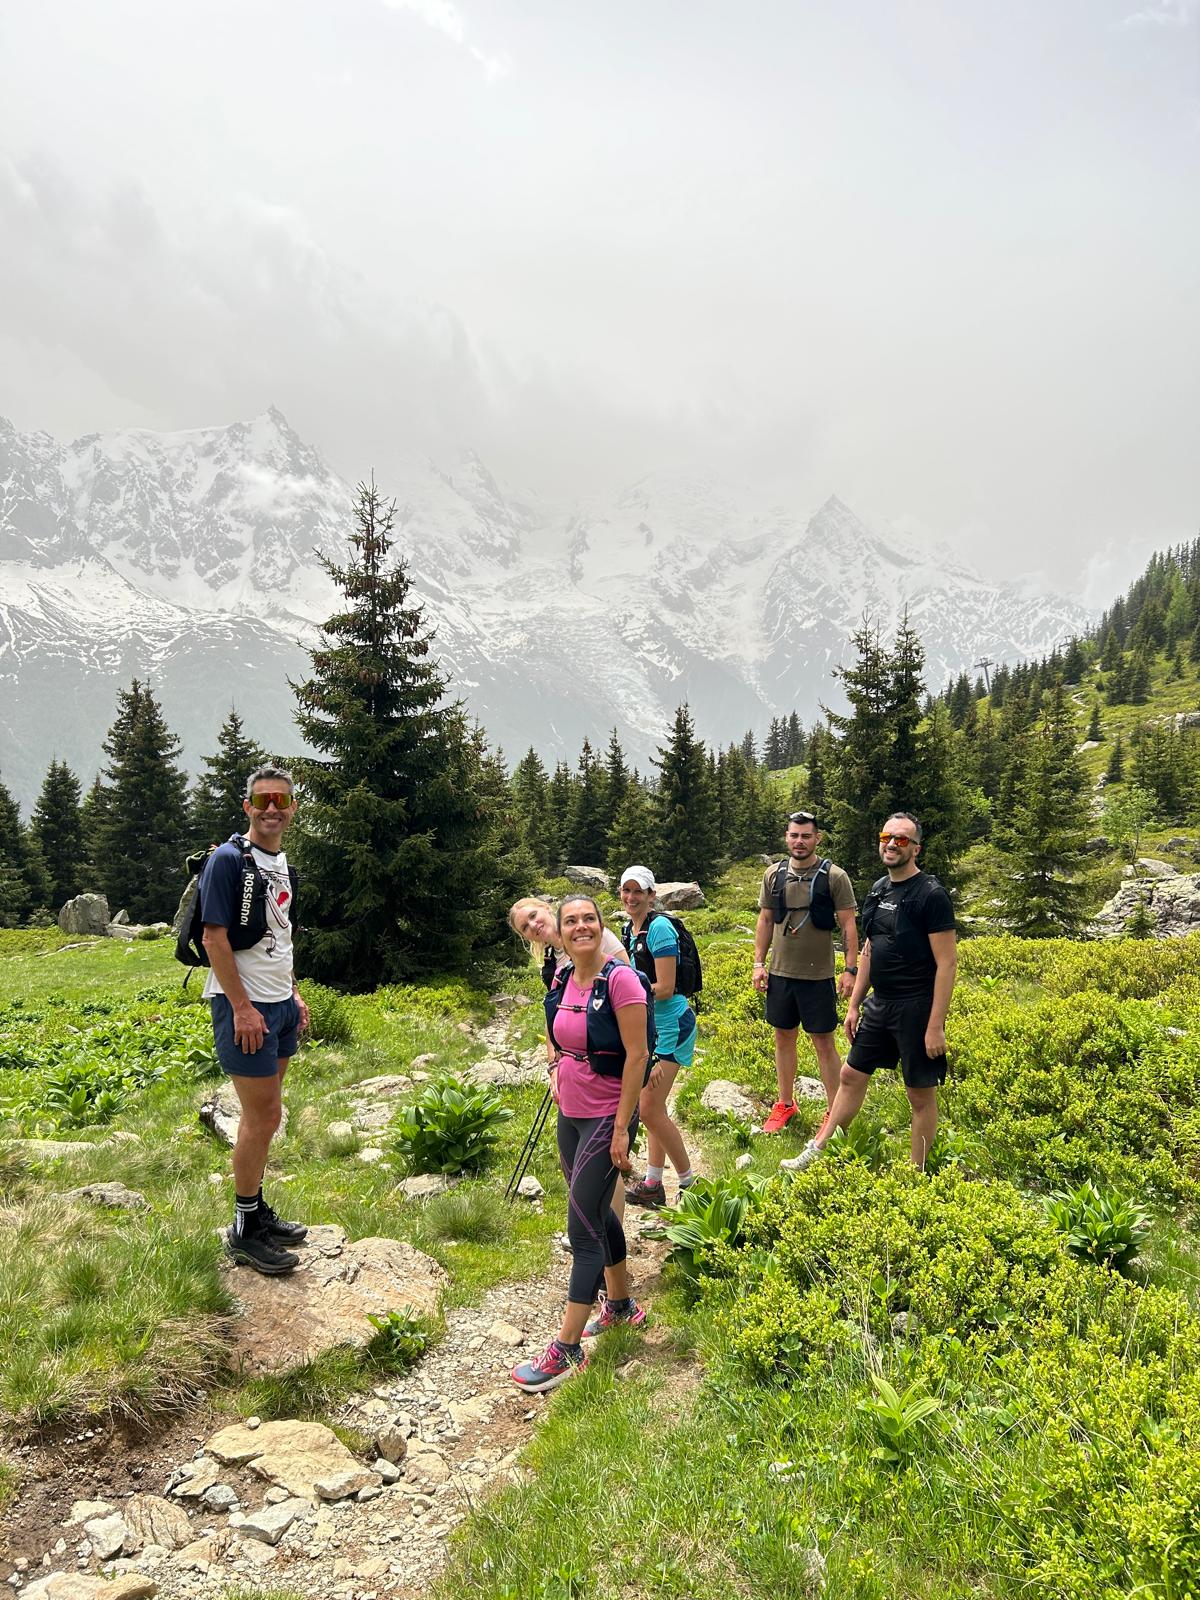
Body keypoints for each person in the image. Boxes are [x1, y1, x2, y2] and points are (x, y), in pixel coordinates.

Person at [512, 894, 650, 1392]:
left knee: (582, 1227)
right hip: (570, 1114)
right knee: (598, 1212)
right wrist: (555, 1068)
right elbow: (558, 1038)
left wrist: (622, 1128)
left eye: (589, 918)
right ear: (562, 931)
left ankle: (567, 1349)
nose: (580, 927)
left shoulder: (622, 980)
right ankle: (620, 1305)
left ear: (600, 925)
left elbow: (638, 1056)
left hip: (606, 1116)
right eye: (571, 921)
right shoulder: (563, 979)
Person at [783, 812, 957, 1171]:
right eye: (886, 837)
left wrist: (935, 1025)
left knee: (919, 1093)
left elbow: (947, 963)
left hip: (917, 1006)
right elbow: (870, 950)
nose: (892, 844)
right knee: (850, 1075)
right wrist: (855, 1005)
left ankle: (918, 1172)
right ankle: (819, 1150)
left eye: (902, 839)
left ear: (916, 848)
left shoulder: (931, 894)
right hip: (881, 1004)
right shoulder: (879, 889)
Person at [199, 763, 311, 1275]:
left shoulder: (281, 861)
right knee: (261, 1116)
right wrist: (243, 1007)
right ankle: (244, 1231)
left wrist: (293, 993)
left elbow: (279, 936)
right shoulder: (228, 860)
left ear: (292, 809)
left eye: (280, 801)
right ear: (247, 807)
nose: (271, 808)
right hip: (246, 1008)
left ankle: (256, 1210)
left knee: (267, 1115)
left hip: (279, 1005)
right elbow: (213, 938)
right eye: (262, 800)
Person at [753, 811, 858, 1134]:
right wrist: (758, 963)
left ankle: (834, 1111)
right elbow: (765, 920)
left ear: (817, 839)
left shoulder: (834, 877)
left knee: (823, 1042)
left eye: (806, 836)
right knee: (783, 1037)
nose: (800, 842)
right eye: (794, 835)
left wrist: (850, 969)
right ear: (787, 837)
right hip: (781, 973)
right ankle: (785, 1103)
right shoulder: (774, 875)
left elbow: (848, 924)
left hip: (819, 976)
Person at [617, 866, 697, 1207]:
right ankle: (653, 1182)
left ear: (652, 895)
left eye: (638, 891)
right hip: (648, 1027)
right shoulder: (629, 929)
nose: (631, 897)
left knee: (649, 1108)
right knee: (652, 1106)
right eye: (626, 890)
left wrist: (626, 995)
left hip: (671, 1025)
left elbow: (664, 987)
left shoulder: (660, 928)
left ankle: (689, 1183)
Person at [507, 896, 630, 985]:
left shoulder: (589, 935)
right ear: (525, 937)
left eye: (533, 915)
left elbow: (629, 976)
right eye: (525, 927)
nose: (533, 925)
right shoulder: (550, 958)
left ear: (546, 908)